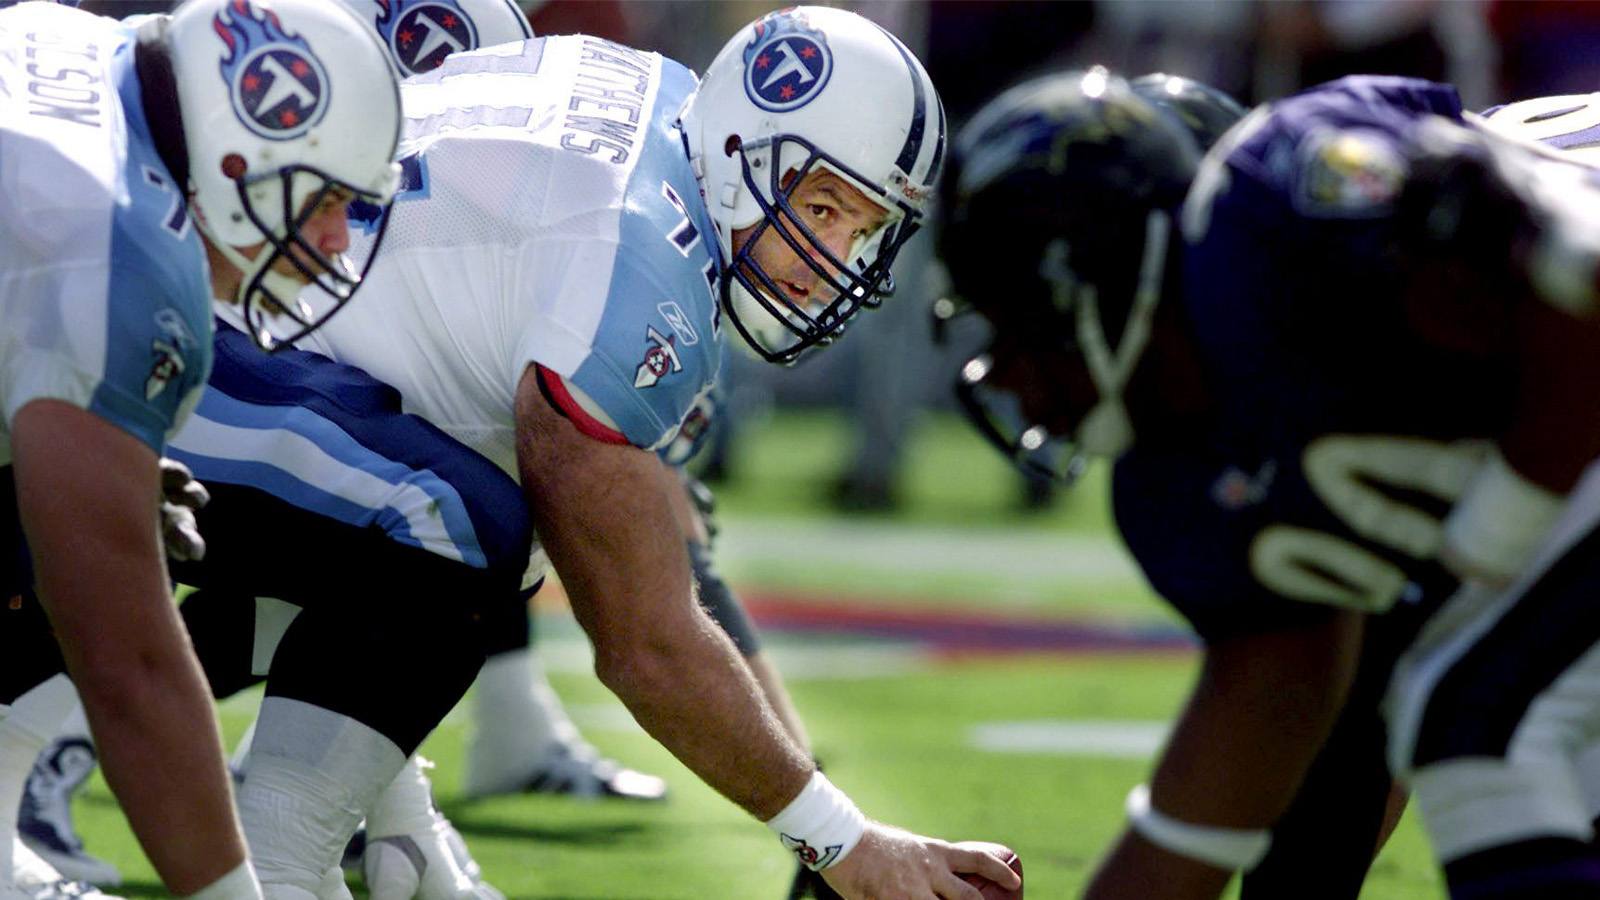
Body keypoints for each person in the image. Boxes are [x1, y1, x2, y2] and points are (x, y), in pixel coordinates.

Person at [5, 7, 1016, 899]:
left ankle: (370, 840)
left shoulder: (666, 103)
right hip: (227, 322)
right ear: (749, 150)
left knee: (407, 513)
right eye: (824, 209)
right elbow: (645, 639)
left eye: (866, 227)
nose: (832, 258)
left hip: (292, 341)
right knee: (464, 523)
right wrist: (840, 841)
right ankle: (271, 853)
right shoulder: (644, 270)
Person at [938, 68, 1600, 899]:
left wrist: (1493, 542)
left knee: (1483, 716)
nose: (1010, 377)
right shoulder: (1176, 483)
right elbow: (1236, 764)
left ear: (1101, 277)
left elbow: (1584, 272)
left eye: (1019, 320)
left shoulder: (1278, 208)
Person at [0, 0, 401, 898]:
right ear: (239, 155)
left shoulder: (102, 53)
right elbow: (131, 668)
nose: (338, 239)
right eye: (326, 195)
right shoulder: (119, 243)